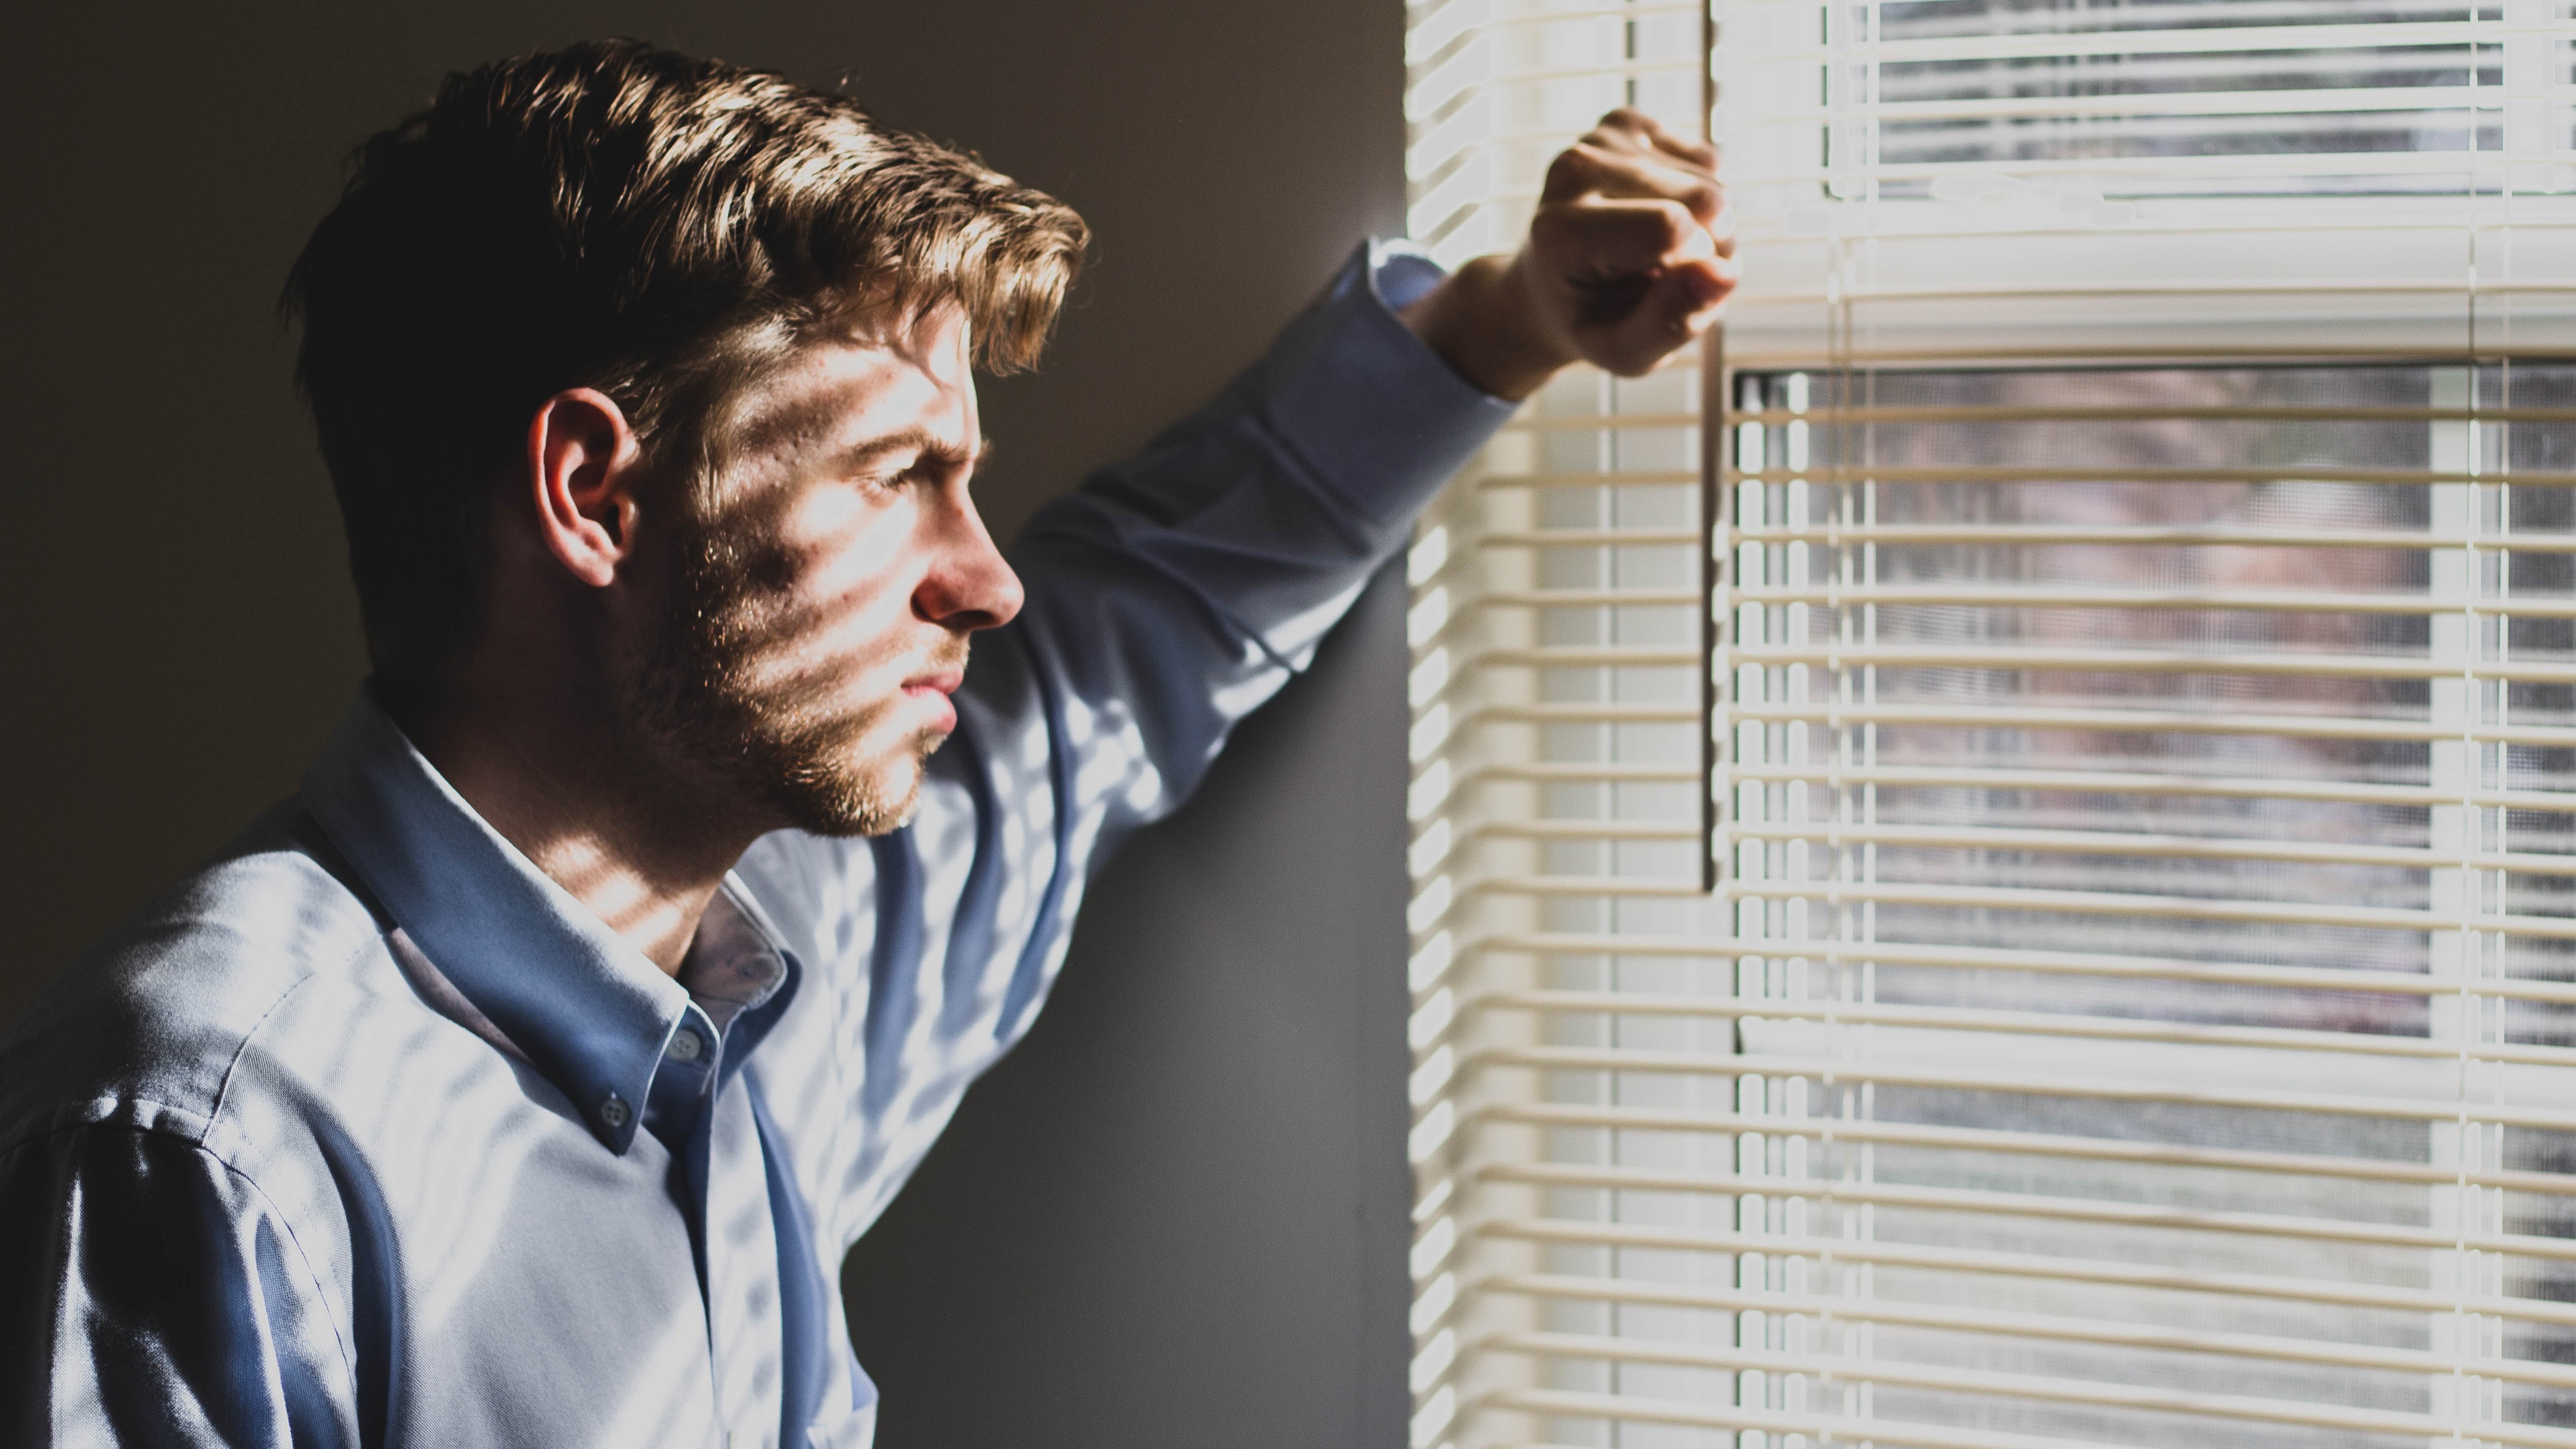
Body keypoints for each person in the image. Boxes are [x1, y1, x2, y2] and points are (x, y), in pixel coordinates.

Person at [0, 38, 1732, 1449]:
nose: (985, 579)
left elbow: (1123, 646)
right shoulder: (200, 1143)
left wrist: (1504, 326)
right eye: (901, 476)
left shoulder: (785, 974)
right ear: (595, 495)